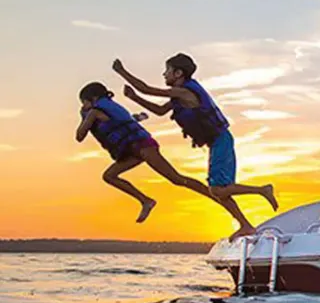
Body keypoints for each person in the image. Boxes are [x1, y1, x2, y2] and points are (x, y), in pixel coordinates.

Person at [111, 54, 278, 240]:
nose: (164, 74)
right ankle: (246, 225)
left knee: (219, 190)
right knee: (219, 191)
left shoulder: (183, 92)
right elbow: (159, 111)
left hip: (221, 140)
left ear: (178, 73)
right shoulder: (180, 95)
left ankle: (262, 190)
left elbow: (147, 89)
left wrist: (122, 72)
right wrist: (134, 98)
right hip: (216, 143)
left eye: (167, 71)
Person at [75, 82, 232, 224]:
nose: (83, 107)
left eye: (84, 103)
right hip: (132, 150)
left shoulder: (94, 112)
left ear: (92, 99)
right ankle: (146, 201)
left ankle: (217, 197)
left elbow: (79, 136)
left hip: (144, 147)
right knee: (109, 176)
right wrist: (139, 116)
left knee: (176, 179)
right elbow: (127, 120)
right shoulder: (110, 107)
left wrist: (84, 116)